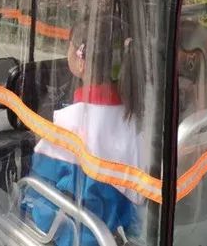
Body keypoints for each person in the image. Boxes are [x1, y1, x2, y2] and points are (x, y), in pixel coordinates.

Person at [25, 15, 145, 246]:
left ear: (80, 61)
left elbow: (43, 211)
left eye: (68, 47)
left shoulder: (68, 125)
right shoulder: (140, 119)